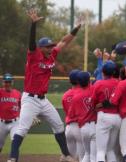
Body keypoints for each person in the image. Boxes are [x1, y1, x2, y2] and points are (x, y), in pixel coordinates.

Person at [7, 9, 81, 162]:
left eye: (50, 46)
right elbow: (31, 43)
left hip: (43, 100)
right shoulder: (34, 55)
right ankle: (12, 158)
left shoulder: (52, 54)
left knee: (59, 126)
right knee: (23, 129)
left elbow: (64, 41)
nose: (50, 48)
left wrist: (76, 28)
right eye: (47, 46)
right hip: (29, 99)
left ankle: (66, 155)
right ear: (41, 48)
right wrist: (33, 24)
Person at [92, 60, 121, 162]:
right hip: (118, 117)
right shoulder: (119, 83)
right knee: (110, 150)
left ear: (103, 72)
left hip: (104, 116)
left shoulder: (98, 83)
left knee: (101, 151)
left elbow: (93, 102)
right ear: (114, 72)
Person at [69, 71, 97, 162]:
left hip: (83, 128)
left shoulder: (75, 97)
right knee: (93, 156)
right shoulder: (94, 90)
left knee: (87, 154)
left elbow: (72, 114)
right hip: (94, 126)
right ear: (89, 80)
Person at [62, 69, 85, 161]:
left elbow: (66, 110)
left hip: (69, 128)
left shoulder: (65, 95)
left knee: (69, 158)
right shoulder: (83, 93)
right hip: (80, 127)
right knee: (83, 158)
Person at [0, 73, 21, 153]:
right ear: (3, 82)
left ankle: (12, 159)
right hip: (1, 123)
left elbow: (22, 107)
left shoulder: (18, 93)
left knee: (15, 142)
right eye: (6, 82)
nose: (7, 84)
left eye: (9, 82)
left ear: (12, 82)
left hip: (15, 123)